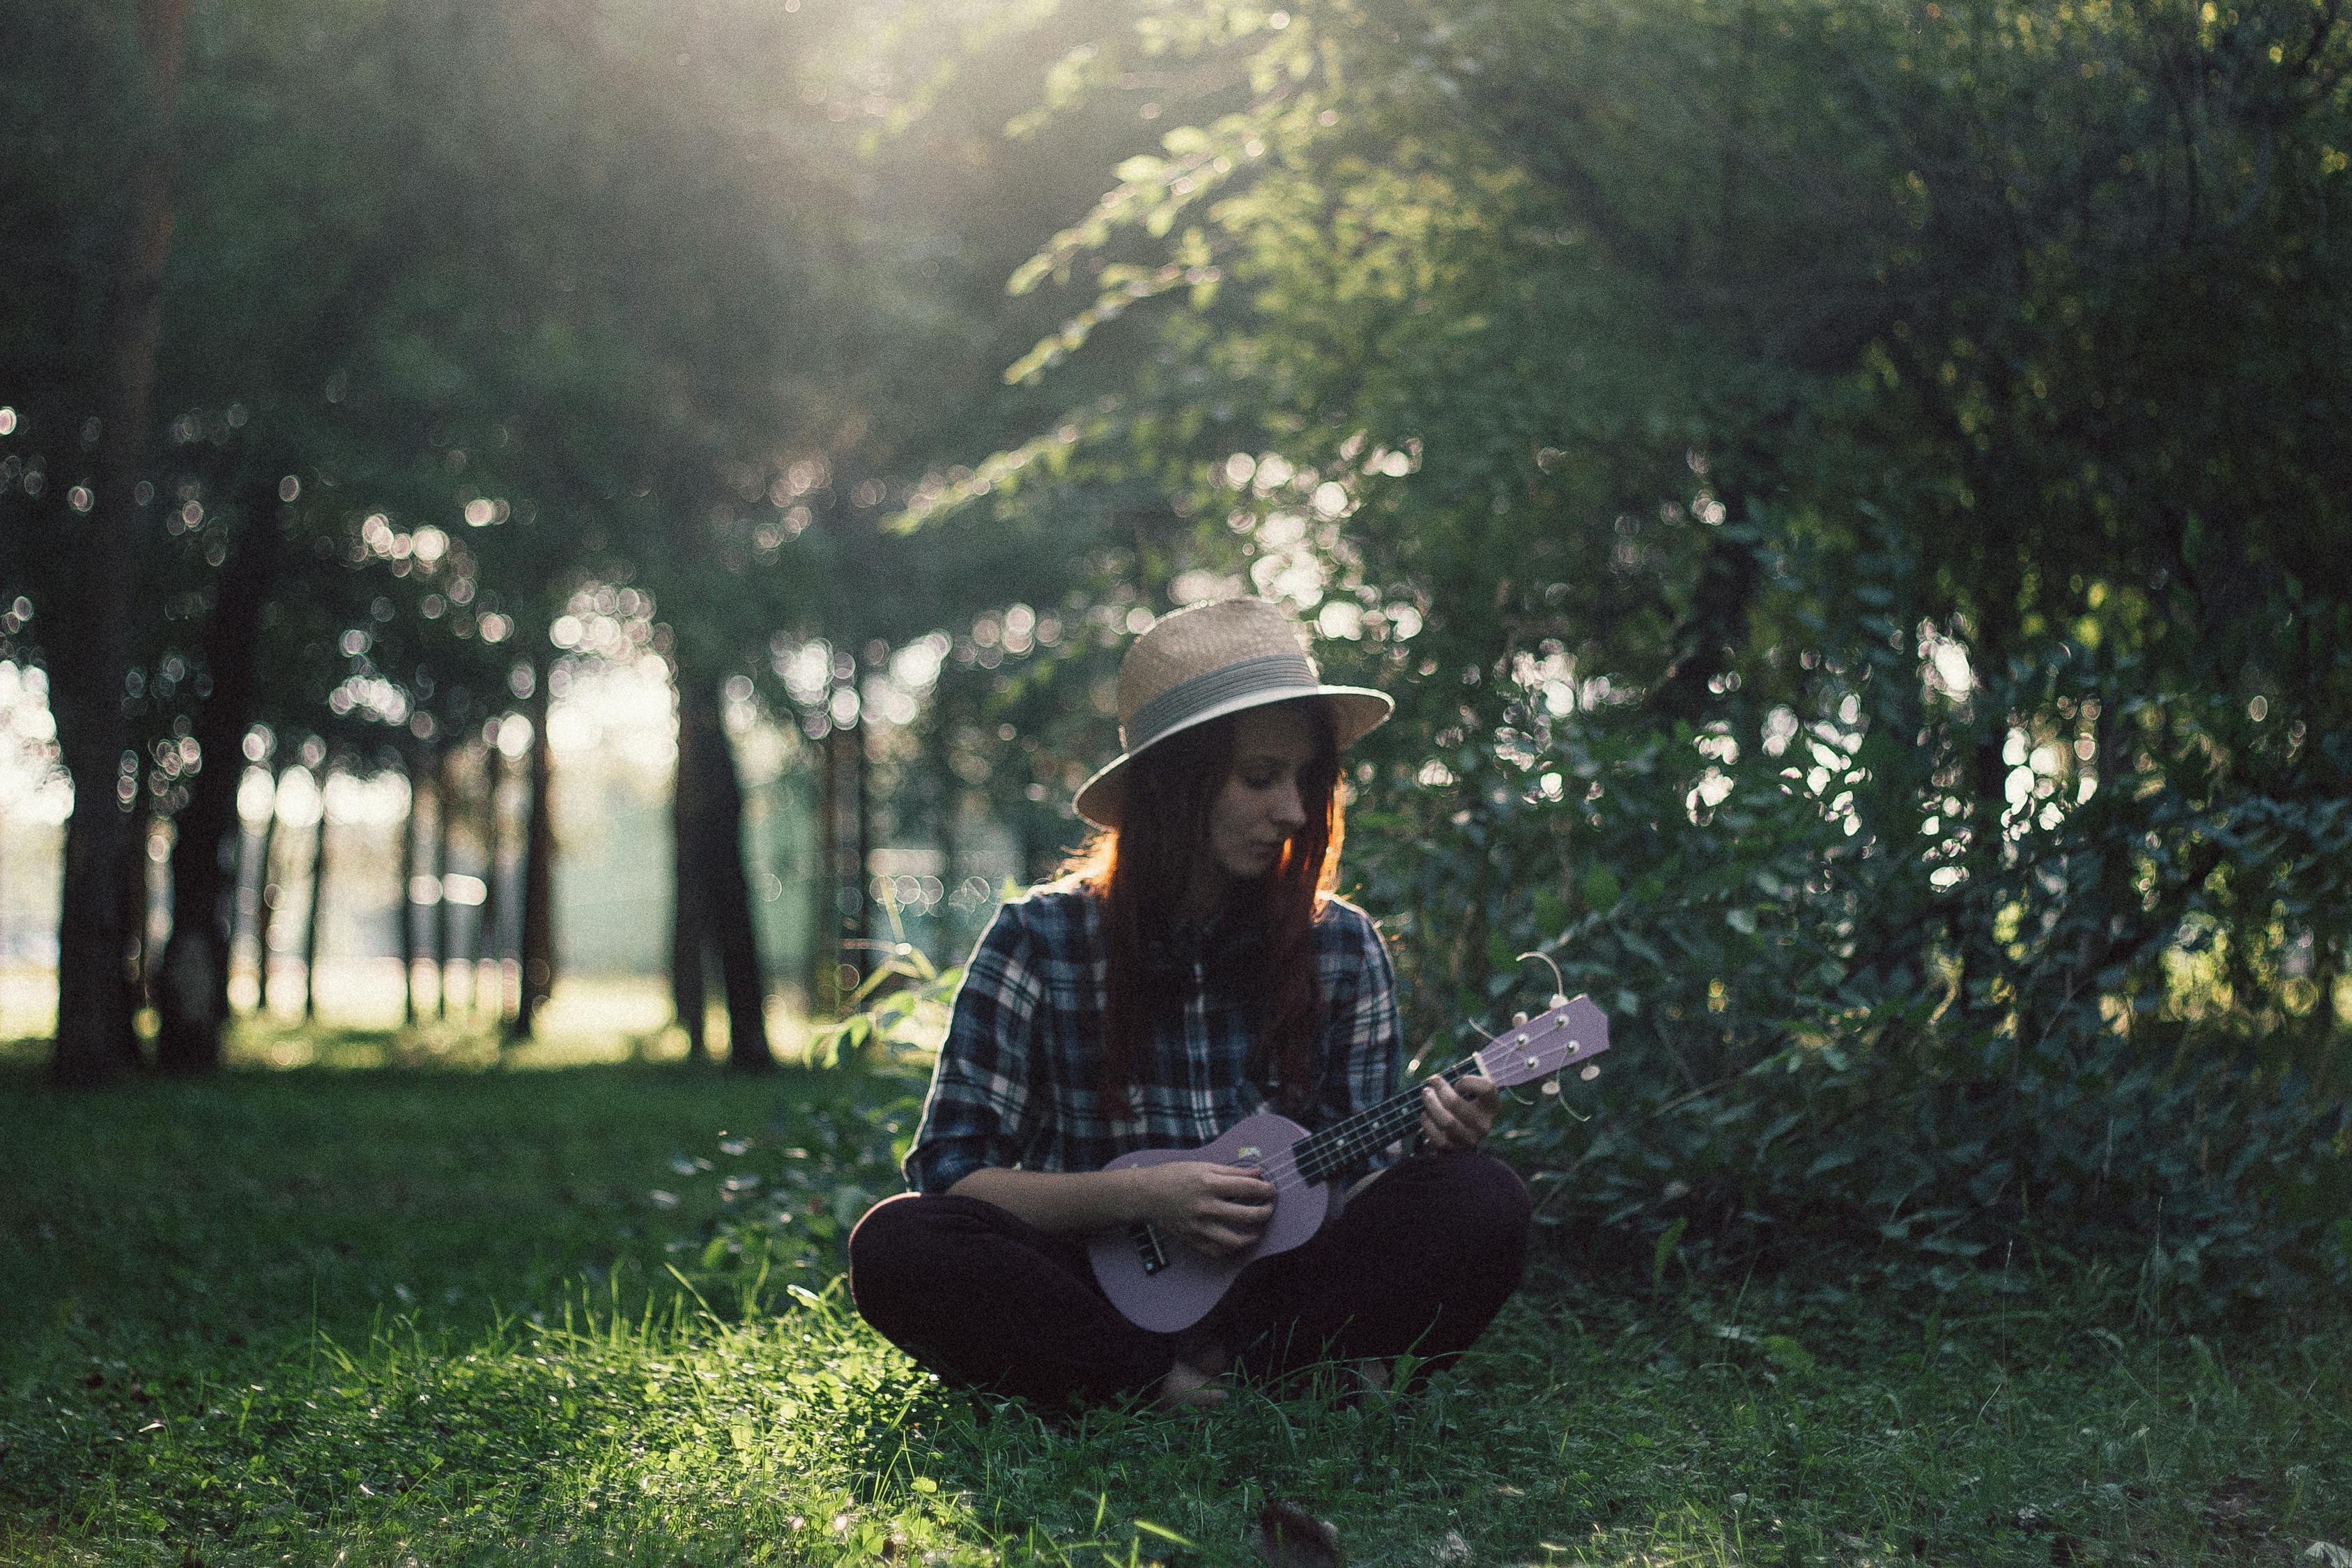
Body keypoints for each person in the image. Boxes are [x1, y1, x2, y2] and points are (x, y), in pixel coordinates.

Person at [847, 597, 1531, 1408]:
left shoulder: (1341, 945)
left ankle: (1223, 1375)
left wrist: (1436, 1143)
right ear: (1175, 784)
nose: (1295, 811)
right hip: (1100, 1287)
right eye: (1259, 777)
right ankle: (1181, 1388)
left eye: (1307, 779)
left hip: (1281, 1294)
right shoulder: (1039, 939)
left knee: (1484, 1198)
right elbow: (953, 1175)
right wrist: (1141, 1195)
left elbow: (1371, 1189)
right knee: (898, 1242)